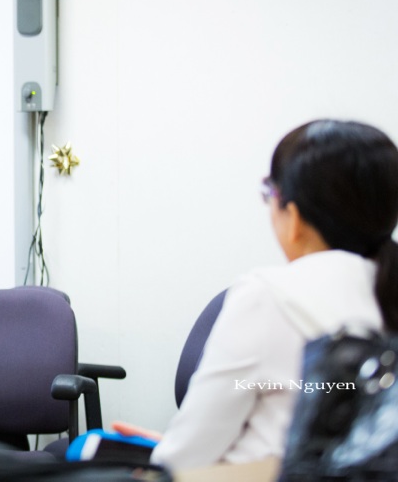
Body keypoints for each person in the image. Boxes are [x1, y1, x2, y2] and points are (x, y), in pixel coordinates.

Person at [135, 119, 398, 471]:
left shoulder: (267, 296)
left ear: (293, 214)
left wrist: (164, 449)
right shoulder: (385, 289)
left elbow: (184, 458)